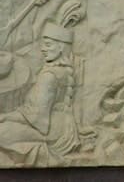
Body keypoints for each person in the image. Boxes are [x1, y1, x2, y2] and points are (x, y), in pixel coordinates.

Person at [0, 22, 79, 165]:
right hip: (62, 126)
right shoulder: (59, 71)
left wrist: (7, 117)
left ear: (61, 48)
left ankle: (44, 155)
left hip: (51, 131)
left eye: (48, 45)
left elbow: (38, 119)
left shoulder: (49, 76)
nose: (43, 49)